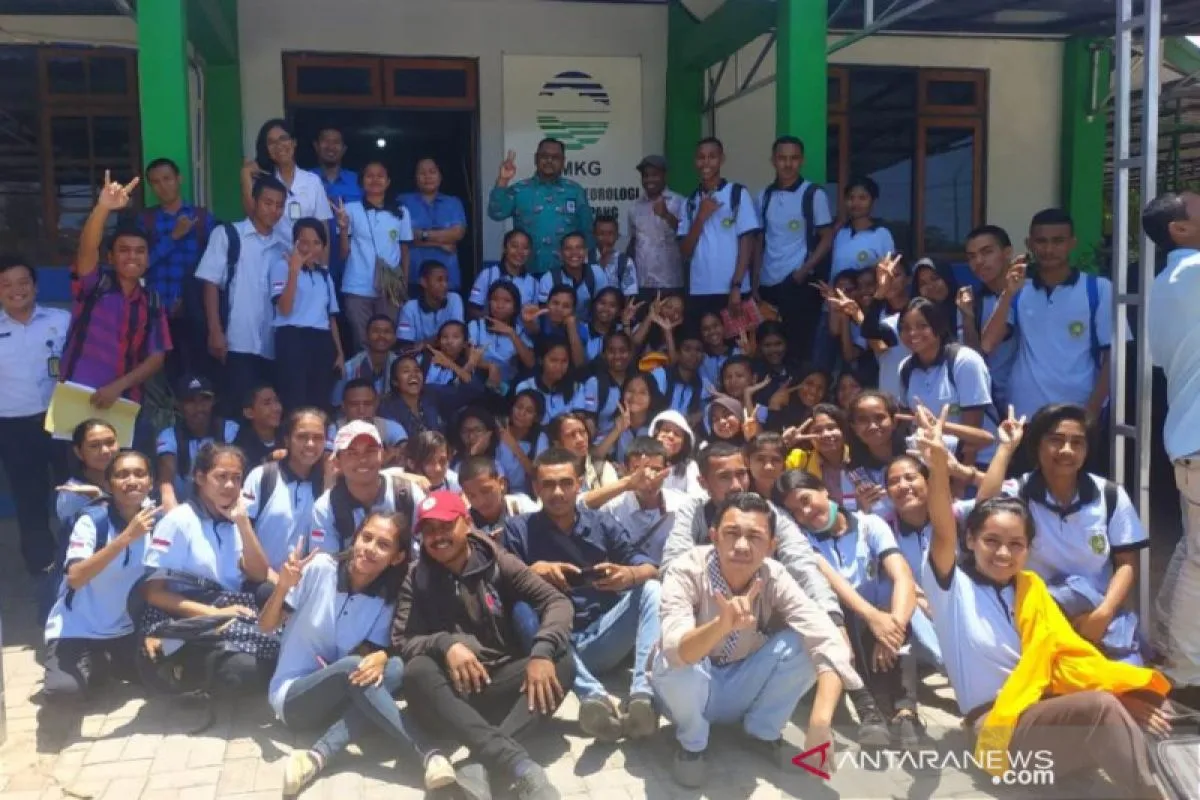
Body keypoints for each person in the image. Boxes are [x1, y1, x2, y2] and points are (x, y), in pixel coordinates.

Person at [916, 408, 1167, 800]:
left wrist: (1126, 697)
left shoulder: (1031, 591)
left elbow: (1068, 661)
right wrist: (937, 467)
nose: (1003, 553)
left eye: (1016, 544)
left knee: (1147, 707)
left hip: (1052, 714)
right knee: (1102, 708)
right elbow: (945, 529)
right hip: (998, 730)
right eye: (991, 542)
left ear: (1029, 549)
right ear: (970, 540)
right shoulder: (951, 586)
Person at [653, 492, 860, 788]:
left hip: (740, 681)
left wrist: (819, 722)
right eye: (731, 534)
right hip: (689, 689)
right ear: (714, 536)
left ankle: (761, 732)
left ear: (771, 546)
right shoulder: (686, 569)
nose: (741, 546)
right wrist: (720, 626)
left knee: (803, 642)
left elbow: (829, 640)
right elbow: (676, 650)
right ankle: (692, 744)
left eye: (754, 537)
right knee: (670, 659)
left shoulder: (774, 575)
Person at [393, 490, 573, 800]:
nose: (437, 537)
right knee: (417, 670)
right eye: (429, 530)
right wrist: (445, 644)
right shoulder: (416, 576)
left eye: (445, 526)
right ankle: (518, 765)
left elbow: (556, 601)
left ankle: (478, 764)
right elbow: (402, 640)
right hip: (449, 696)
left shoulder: (497, 561)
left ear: (466, 523)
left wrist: (542, 652)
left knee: (562, 662)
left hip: (498, 680)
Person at [262, 512, 456, 796]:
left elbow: (366, 662)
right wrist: (282, 587)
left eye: (383, 545)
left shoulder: (384, 600)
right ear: (355, 539)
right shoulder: (320, 569)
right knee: (355, 668)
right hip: (294, 699)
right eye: (366, 538)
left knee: (394, 668)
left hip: (336, 699)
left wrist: (381, 656)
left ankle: (316, 756)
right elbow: (266, 626)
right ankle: (428, 753)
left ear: (397, 558)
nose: (370, 548)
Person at [503, 448, 663, 742]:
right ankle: (593, 697)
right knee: (520, 606)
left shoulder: (602, 523)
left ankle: (642, 695)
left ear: (579, 484)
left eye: (566, 483)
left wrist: (628, 575)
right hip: (554, 646)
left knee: (652, 589)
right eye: (548, 485)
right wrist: (533, 571)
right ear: (536, 488)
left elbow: (649, 567)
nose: (558, 492)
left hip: (603, 636)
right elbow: (500, 585)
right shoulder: (518, 529)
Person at [979, 404, 1148, 663]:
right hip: (1037, 616)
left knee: (1132, 676)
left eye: (1077, 443)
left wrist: (1103, 614)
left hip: (1095, 616)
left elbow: (1127, 564)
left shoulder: (1109, 495)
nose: (1066, 450)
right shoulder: (1020, 493)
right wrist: (1005, 448)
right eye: (1056, 441)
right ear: (1037, 445)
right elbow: (983, 512)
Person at [775, 468, 922, 749]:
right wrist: (873, 618)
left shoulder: (870, 525)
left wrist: (892, 629)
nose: (805, 512)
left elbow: (903, 576)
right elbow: (837, 585)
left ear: (824, 491)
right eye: (795, 511)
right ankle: (870, 712)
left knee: (898, 610)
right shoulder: (804, 541)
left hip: (879, 619)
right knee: (846, 620)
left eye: (806, 500)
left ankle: (906, 713)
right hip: (842, 621)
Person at [141, 443, 275, 694]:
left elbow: (259, 574)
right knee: (247, 672)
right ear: (200, 478)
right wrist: (216, 613)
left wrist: (243, 524)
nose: (230, 485)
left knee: (270, 599)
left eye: (236, 478)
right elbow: (153, 593)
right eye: (221, 477)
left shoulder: (233, 519)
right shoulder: (179, 521)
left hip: (231, 610)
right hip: (190, 616)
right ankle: (184, 671)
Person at [42, 450, 157, 702]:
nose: (132, 481)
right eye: (122, 475)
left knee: (166, 676)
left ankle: (105, 663)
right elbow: (75, 577)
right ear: (108, 483)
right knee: (64, 693)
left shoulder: (157, 521)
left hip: (125, 629)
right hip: (77, 627)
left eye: (139, 474)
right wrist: (127, 537)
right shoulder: (92, 521)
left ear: (151, 482)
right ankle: (94, 662)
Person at [1144, 189, 1200, 689]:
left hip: (1188, 437)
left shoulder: (1166, 284)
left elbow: (1162, 358)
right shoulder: (1193, 272)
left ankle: (1164, 633)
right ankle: (1183, 676)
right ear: (1179, 229)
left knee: (1192, 546)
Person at [63, 173, 171, 410]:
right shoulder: (95, 285)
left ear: (148, 258)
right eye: (124, 250)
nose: (132, 256)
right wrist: (103, 208)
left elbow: (156, 357)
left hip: (124, 402)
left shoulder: (152, 301)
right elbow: (87, 248)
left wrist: (118, 386)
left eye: (140, 251)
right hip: (76, 396)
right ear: (110, 257)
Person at [1002, 209, 1119, 427]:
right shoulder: (1018, 290)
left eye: (1058, 241)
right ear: (1029, 244)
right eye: (1041, 241)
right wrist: (1008, 292)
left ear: (1072, 243)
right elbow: (989, 342)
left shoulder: (1098, 289)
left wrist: (1091, 412)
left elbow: (1113, 358)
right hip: (1024, 413)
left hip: (1077, 412)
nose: (1049, 249)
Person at [0, 255, 71, 579]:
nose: (16, 290)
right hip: (13, 427)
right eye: (6, 284)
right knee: (30, 501)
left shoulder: (62, 320)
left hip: (62, 421)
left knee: (74, 493)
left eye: (23, 282)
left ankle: (79, 561)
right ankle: (43, 571)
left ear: (35, 286)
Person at [197, 176, 290, 416]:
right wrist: (215, 331)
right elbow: (210, 283)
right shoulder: (228, 235)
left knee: (264, 415)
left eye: (279, 205)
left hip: (270, 345)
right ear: (254, 202)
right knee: (234, 410)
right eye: (268, 203)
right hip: (235, 340)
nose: (274, 210)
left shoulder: (284, 248)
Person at [755, 136, 834, 363]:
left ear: (802, 161)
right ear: (773, 160)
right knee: (768, 350)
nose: (788, 164)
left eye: (794, 158)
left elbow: (827, 237)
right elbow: (759, 241)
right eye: (782, 158)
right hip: (768, 286)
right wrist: (755, 280)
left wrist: (803, 270)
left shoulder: (813, 194)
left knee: (799, 350)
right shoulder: (763, 196)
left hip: (799, 285)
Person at [140, 157, 215, 381]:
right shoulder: (146, 221)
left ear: (179, 179)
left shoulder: (202, 218)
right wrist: (173, 237)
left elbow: (214, 266)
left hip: (197, 311)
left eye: (167, 179)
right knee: (163, 375)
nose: (163, 186)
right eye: (156, 182)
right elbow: (140, 265)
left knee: (200, 375)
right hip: (157, 311)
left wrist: (188, 298)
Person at [678, 138, 760, 329]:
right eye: (701, 157)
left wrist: (737, 285)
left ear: (721, 159)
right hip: (700, 290)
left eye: (712, 157)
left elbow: (747, 242)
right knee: (705, 343)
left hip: (734, 291)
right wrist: (701, 217)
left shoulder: (737, 194)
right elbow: (685, 251)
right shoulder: (689, 202)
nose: (706, 162)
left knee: (739, 342)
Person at [309, 421, 425, 555]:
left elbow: (428, 546)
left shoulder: (407, 494)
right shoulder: (326, 508)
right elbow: (324, 561)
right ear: (337, 462)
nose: (362, 459)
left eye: (370, 451)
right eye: (352, 453)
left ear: (383, 455)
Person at [335, 162, 412, 349]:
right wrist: (343, 229)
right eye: (369, 175)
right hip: (357, 287)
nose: (375, 179)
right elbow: (343, 254)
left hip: (389, 288)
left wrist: (404, 283)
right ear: (361, 181)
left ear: (388, 181)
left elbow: (405, 250)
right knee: (361, 341)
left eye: (380, 175)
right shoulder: (350, 210)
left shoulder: (401, 212)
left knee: (387, 341)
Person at [488, 140, 594, 275]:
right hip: (527, 274)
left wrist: (591, 269)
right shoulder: (520, 190)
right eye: (544, 156)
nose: (549, 160)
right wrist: (503, 180)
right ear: (536, 159)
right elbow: (496, 213)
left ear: (563, 161)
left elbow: (587, 232)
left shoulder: (575, 191)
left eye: (555, 157)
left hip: (566, 275)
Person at [272, 218, 344, 412]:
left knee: (319, 399)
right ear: (294, 242)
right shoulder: (282, 267)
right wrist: (294, 272)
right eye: (303, 242)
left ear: (323, 246)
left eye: (316, 243)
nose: (309, 248)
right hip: (292, 338)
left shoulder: (325, 275)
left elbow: (331, 317)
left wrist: (339, 353)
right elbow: (284, 309)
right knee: (294, 398)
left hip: (321, 340)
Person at [242, 407, 327, 571]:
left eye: (318, 438)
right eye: (302, 437)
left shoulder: (327, 484)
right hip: (260, 580)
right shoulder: (262, 476)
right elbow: (240, 534)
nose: (310, 444)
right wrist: (270, 578)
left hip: (304, 582)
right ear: (287, 440)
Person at [155, 374, 239, 510]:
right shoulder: (169, 436)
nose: (199, 407)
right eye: (191, 401)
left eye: (205, 399)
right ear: (179, 405)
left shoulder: (230, 430)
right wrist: (173, 512)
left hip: (224, 507)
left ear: (213, 401)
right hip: (183, 507)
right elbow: (166, 481)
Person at [599, 437, 687, 564]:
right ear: (625, 470)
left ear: (667, 470)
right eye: (639, 470)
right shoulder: (611, 508)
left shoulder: (683, 505)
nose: (649, 477)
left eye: (656, 470)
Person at [242, 119, 332, 240]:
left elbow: (323, 230)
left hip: (306, 251)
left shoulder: (313, 181)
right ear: (266, 149)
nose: (278, 145)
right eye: (271, 142)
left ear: (294, 142)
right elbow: (253, 217)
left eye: (283, 139)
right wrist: (245, 174)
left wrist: (323, 254)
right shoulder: (262, 181)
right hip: (270, 250)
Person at [963, 224, 1021, 410]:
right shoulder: (973, 300)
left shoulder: (1034, 293)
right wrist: (967, 318)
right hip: (992, 405)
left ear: (1007, 252)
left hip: (1033, 400)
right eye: (972, 257)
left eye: (987, 252)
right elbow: (977, 354)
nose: (979, 261)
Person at [400, 157, 468, 293]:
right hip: (413, 278)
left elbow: (457, 234)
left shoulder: (453, 203)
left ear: (440, 176)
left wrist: (422, 235)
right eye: (422, 173)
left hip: (448, 280)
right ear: (415, 177)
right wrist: (440, 243)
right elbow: (403, 237)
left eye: (432, 172)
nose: (427, 177)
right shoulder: (403, 202)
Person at [627, 155, 685, 300]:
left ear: (664, 175)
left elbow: (686, 237)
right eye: (645, 176)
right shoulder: (635, 208)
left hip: (671, 282)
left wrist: (666, 215)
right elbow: (634, 243)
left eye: (654, 175)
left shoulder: (679, 202)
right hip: (643, 283)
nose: (649, 180)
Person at [310, 127, 360, 293]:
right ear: (316, 146)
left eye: (336, 142)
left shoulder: (358, 181)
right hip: (313, 260)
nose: (330, 146)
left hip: (353, 265)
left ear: (344, 149)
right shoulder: (305, 180)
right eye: (325, 141)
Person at [459, 455, 540, 541]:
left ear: (501, 483)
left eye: (486, 491)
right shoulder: (465, 523)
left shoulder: (521, 507)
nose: (481, 501)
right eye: (472, 496)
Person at [468, 229, 539, 316]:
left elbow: (534, 319)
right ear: (505, 248)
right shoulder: (487, 275)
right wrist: (492, 322)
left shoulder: (534, 284)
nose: (520, 252)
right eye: (514, 246)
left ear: (529, 252)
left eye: (525, 248)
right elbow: (473, 309)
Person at [335, 314, 398, 407]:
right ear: (366, 336)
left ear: (394, 338)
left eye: (387, 332)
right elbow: (337, 403)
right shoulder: (350, 368)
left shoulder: (399, 365)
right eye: (376, 331)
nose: (381, 336)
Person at [396, 261, 465, 347]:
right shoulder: (410, 307)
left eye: (446, 280)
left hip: (448, 353)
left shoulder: (454, 299)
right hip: (419, 355)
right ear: (424, 282)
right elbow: (405, 345)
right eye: (439, 280)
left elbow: (456, 334)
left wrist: (423, 344)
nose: (445, 285)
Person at [232, 384, 284, 467]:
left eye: (277, 401)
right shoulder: (240, 449)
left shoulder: (289, 439)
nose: (276, 408)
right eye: (267, 403)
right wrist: (270, 459)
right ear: (249, 413)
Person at [591, 214, 638, 299]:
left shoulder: (625, 262)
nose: (606, 238)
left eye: (610, 233)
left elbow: (629, 294)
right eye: (601, 234)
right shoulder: (585, 259)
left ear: (617, 236)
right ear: (594, 235)